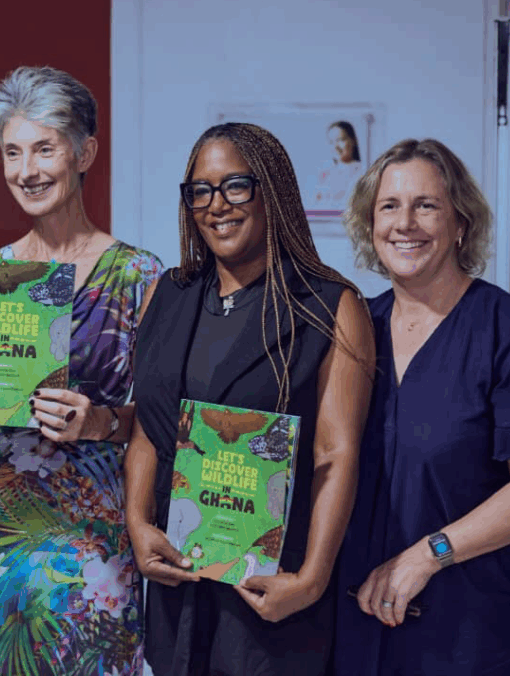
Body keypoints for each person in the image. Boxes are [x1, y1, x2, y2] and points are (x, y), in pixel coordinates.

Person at [0, 66, 162, 675]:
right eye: (12, 152)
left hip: (93, 532)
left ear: (85, 152)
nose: (27, 171)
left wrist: (102, 420)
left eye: (45, 148)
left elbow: (164, 423)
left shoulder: (141, 276)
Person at [125, 122, 375, 676]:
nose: (217, 205)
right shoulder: (167, 294)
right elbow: (149, 427)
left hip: (272, 586)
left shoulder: (328, 307)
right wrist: (138, 524)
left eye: (236, 186)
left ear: (273, 191)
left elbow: (337, 456)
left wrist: (310, 580)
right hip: (179, 573)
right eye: (201, 190)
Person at [333, 138, 510, 675]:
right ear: (369, 225)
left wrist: (428, 555)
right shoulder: (355, 329)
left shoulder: (508, 332)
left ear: (460, 224)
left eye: (426, 205)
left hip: (464, 625)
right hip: (355, 618)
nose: (406, 223)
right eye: (389, 207)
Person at [311, 121, 362, 208]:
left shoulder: (362, 173)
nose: (336, 146)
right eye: (331, 142)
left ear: (353, 141)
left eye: (340, 140)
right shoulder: (324, 173)